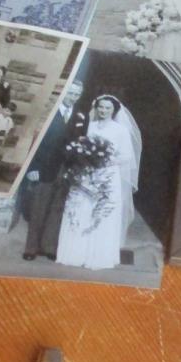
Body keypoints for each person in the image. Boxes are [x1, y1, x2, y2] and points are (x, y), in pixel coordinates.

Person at [56, 94, 142, 269]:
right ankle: (75, 253)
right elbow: (79, 146)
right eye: (100, 107)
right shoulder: (89, 126)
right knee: (80, 210)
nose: (103, 111)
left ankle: (98, 256)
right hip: (86, 174)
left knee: (101, 213)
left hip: (107, 176)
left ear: (114, 110)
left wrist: (104, 161)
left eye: (107, 108)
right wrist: (85, 159)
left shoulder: (120, 130)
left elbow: (126, 156)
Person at [21, 78, 87, 260]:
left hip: (66, 168)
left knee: (57, 207)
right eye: (70, 93)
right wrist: (32, 167)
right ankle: (31, 248)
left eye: (76, 94)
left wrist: (76, 168)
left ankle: (48, 246)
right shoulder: (49, 112)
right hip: (44, 166)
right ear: (64, 92)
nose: (72, 97)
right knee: (38, 207)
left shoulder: (81, 116)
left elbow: (81, 143)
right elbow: (35, 141)